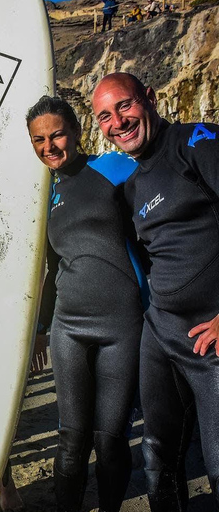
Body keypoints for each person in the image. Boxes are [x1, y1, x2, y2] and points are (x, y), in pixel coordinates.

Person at [92, 72, 219, 511]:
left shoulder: (197, 142)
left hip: (211, 335)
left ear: (149, 97)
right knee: (157, 456)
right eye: (105, 116)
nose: (118, 122)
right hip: (162, 332)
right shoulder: (132, 185)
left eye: (124, 106)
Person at [27, 96, 148, 512]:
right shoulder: (41, 195)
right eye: (39, 140)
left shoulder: (114, 169)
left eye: (57, 134)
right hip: (69, 328)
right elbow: (48, 268)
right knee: (72, 438)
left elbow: (168, 219)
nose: (50, 146)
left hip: (123, 326)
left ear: (77, 132)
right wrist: (41, 328)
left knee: (111, 437)